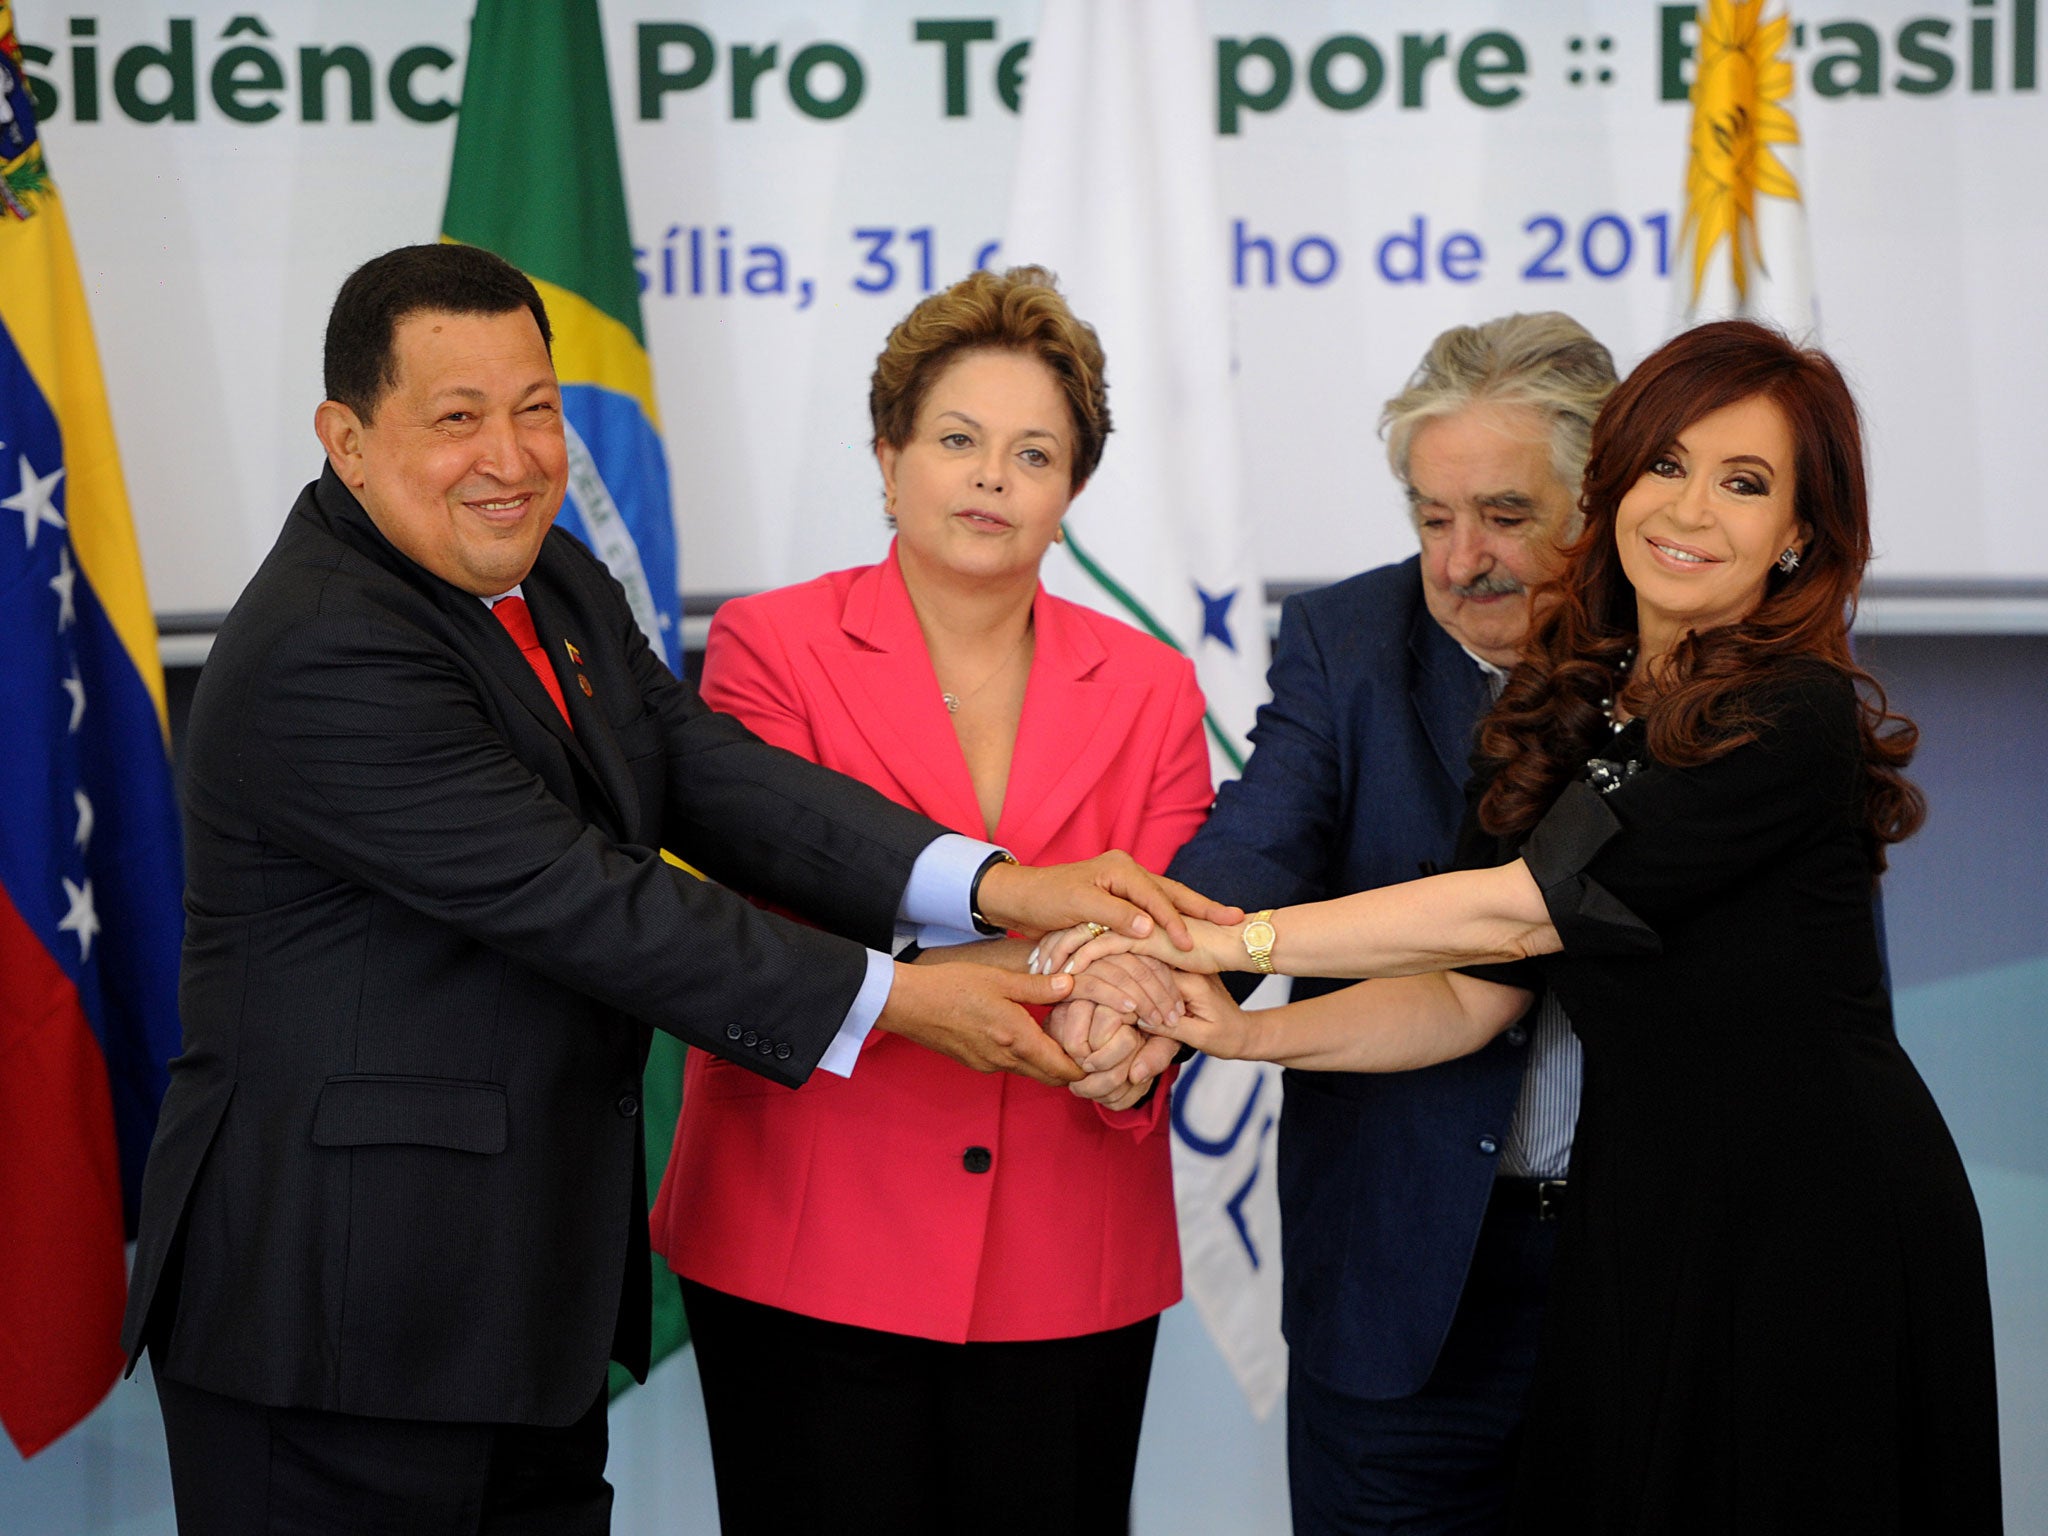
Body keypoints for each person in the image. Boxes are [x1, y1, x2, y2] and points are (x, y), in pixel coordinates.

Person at [117, 243, 1228, 1536]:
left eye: (536, 409)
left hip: (514, 1311)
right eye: (457, 419)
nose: (512, 455)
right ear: (348, 439)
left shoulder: (552, 576)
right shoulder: (326, 646)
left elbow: (715, 779)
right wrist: (909, 1005)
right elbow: (593, 905)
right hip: (345, 1318)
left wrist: (998, 889)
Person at [1041, 320, 2003, 1532]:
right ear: (1621, 489)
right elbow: (1460, 994)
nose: (1691, 510)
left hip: (1785, 1246)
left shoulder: (1779, 708)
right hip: (1608, 1256)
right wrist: (1232, 1036)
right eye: (1667, 468)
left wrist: (1220, 948)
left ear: (1793, 532)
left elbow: (1517, 918)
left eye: (1742, 484)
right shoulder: (1580, 709)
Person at [649, 266, 1211, 1536]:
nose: (989, 477)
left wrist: (1140, 1026)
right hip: (805, 1234)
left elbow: (1176, 934)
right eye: (956, 440)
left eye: (1032, 452)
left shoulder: (1152, 686)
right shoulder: (768, 645)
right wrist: (1042, 953)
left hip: (1066, 1243)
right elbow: (766, 896)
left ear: (1071, 492)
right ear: (887, 455)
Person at [1151, 313, 1617, 1534]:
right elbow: (1255, 844)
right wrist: (1152, 972)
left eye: (1506, 517)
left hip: (1644, 1268)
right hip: (1399, 1270)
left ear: (1599, 499)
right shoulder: (1344, 640)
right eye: (1430, 518)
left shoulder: (1682, 665)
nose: (1461, 560)